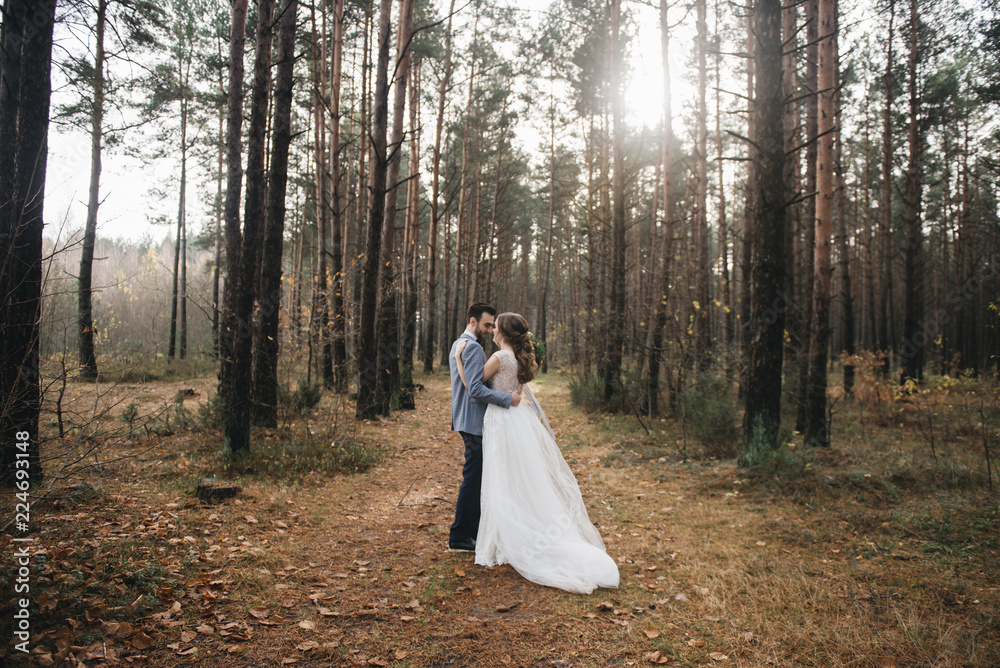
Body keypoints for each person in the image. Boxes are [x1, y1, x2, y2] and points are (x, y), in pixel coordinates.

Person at [455, 312, 619, 594]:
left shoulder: (498, 358)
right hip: (517, 420)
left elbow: (474, 387)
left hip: (501, 419)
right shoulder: (518, 358)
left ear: (503, 334)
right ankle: (513, 533)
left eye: (497, 327)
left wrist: (458, 359)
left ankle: (506, 539)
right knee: (520, 477)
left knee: (501, 477)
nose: (493, 329)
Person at [448, 303, 521, 553]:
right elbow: (475, 389)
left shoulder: (462, 346)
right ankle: (459, 536)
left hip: (469, 419)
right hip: (473, 421)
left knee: (478, 478)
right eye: (486, 325)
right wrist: (507, 399)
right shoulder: (473, 348)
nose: (490, 330)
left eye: (493, 326)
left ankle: (473, 531)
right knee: (473, 479)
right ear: (473, 321)